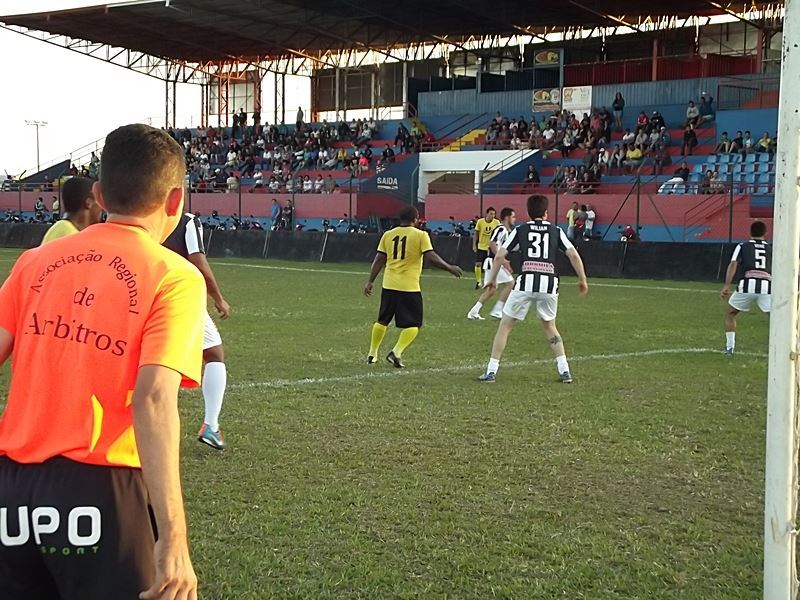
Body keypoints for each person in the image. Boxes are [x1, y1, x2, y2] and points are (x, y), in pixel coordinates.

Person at [0, 124, 202, 598]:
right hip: (102, 491)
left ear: (99, 192)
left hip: (12, 492)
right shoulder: (173, 276)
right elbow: (153, 399)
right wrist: (174, 537)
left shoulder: (35, 262)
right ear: (175, 200)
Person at [479, 194, 588, 383]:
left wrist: (493, 279)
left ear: (528, 213)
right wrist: (582, 279)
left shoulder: (521, 230)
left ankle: (491, 371)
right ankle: (564, 371)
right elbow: (573, 255)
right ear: (546, 213)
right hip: (549, 284)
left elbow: (499, 255)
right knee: (550, 327)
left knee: (505, 325)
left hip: (525, 283)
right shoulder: (556, 231)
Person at [163, 213, 231, 449]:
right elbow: (198, 261)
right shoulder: (187, 221)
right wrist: (219, 298)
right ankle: (211, 425)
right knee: (214, 354)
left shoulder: (141, 214)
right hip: (178, 296)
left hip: (138, 295)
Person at [364, 206, 462, 367]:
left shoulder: (388, 235)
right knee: (414, 324)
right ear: (415, 219)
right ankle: (396, 352)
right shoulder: (421, 235)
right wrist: (449, 267)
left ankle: (372, 354)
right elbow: (431, 256)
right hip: (409, 286)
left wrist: (370, 281)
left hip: (389, 284)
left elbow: (379, 259)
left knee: (382, 320)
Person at [720, 221, 771, 355]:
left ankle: (729, 348)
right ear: (766, 233)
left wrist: (726, 285)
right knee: (777, 318)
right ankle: (782, 347)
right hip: (767, 287)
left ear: (750, 233)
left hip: (746, 286)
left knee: (730, 313)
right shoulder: (772, 248)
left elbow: (733, 264)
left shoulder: (742, 246)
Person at [467, 207, 517, 321]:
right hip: (493, 261)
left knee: (492, 289)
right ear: (507, 217)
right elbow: (492, 243)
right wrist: (502, 260)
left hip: (493, 261)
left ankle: (474, 312)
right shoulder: (501, 229)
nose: (515, 219)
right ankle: (498, 310)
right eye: (513, 216)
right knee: (510, 283)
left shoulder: (504, 230)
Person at [40, 177, 104, 244]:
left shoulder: (61, 228)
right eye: (98, 200)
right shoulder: (70, 236)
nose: (102, 207)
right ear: (89, 203)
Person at [472, 207, 500, 290]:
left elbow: (499, 234)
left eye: (494, 214)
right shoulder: (480, 222)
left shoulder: (497, 222)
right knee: (478, 264)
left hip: (492, 247)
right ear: (486, 214)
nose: (493, 216)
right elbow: (476, 234)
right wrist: (474, 245)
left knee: (493, 265)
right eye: (491, 214)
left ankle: (492, 281)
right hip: (481, 246)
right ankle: (479, 281)